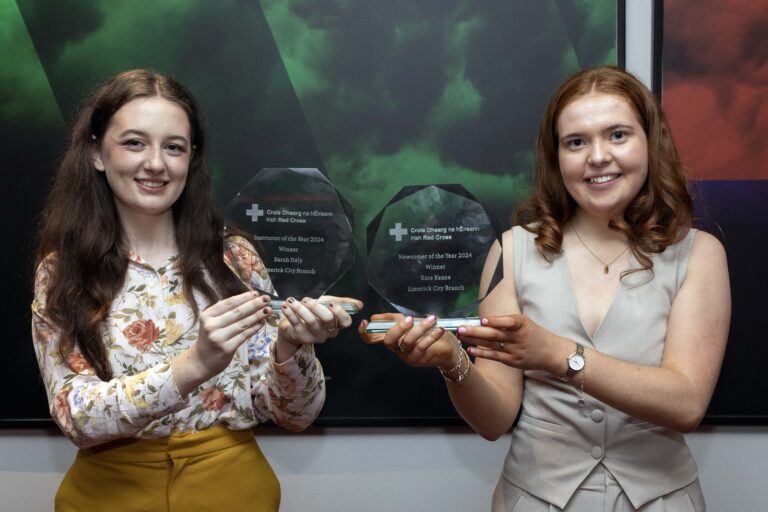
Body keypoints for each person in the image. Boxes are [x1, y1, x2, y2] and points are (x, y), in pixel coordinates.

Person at [360, 66, 730, 511]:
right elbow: (494, 420)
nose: (597, 156)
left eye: (617, 135)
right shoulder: (513, 251)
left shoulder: (698, 253)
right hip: (535, 500)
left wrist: (557, 354)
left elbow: (687, 404)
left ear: (651, 142)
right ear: (556, 157)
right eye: (576, 142)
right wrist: (450, 359)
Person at [32, 68, 363, 512]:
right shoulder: (63, 270)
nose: (156, 163)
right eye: (134, 143)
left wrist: (291, 346)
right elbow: (76, 416)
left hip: (232, 491)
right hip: (107, 495)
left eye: (174, 147)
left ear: (191, 158)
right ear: (96, 153)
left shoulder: (235, 258)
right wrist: (195, 364)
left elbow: (295, 414)